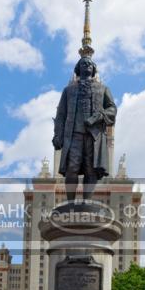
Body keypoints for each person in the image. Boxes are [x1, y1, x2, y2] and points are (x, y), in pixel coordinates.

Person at [52, 56, 117, 201]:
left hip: (93, 136)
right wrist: (58, 135)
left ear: (94, 69)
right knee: (71, 168)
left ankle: (87, 202)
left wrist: (98, 117)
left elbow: (112, 109)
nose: (87, 66)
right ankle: (70, 202)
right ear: (78, 69)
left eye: (89, 64)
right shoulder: (68, 91)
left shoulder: (103, 89)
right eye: (83, 64)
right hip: (73, 135)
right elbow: (61, 114)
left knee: (91, 169)